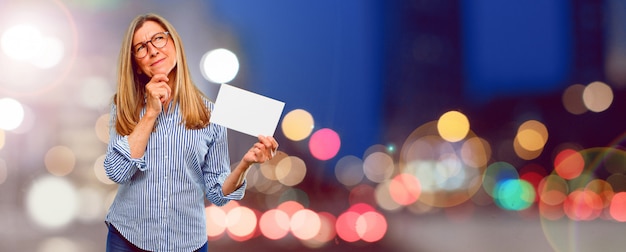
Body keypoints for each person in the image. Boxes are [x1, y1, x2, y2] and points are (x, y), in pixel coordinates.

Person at [103, 13, 278, 252]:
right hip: (128, 239)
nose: (153, 50)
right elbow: (117, 172)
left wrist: (245, 164)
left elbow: (217, 194)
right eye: (141, 48)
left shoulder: (211, 115)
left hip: (188, 243)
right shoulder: (123, 107)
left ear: (175, 43)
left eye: (158, 39)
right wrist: (151, 114)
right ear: (136, 63)